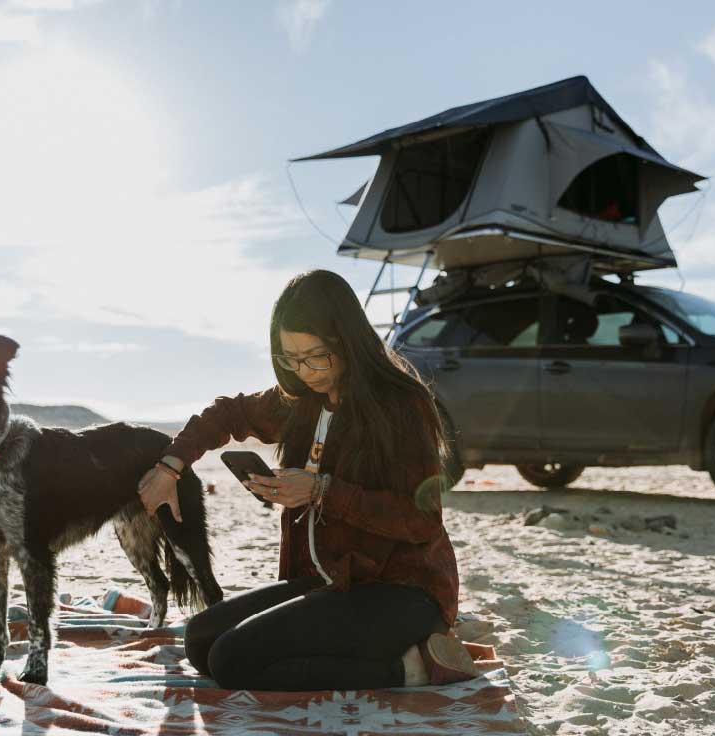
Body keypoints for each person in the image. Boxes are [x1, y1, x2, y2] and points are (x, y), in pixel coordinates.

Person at [136, 269, 479, 691]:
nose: (304, 370)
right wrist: (171, 466)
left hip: (403, 591)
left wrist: (321, 491)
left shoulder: (401, 406)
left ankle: (413, 668)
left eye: (315, 356)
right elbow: (228, 414)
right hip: (331, 581)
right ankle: (382, 652)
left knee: (231, 661)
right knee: (200, 641)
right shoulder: (300, 401)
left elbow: (419, 520)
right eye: (289, 358)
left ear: (346, 340)